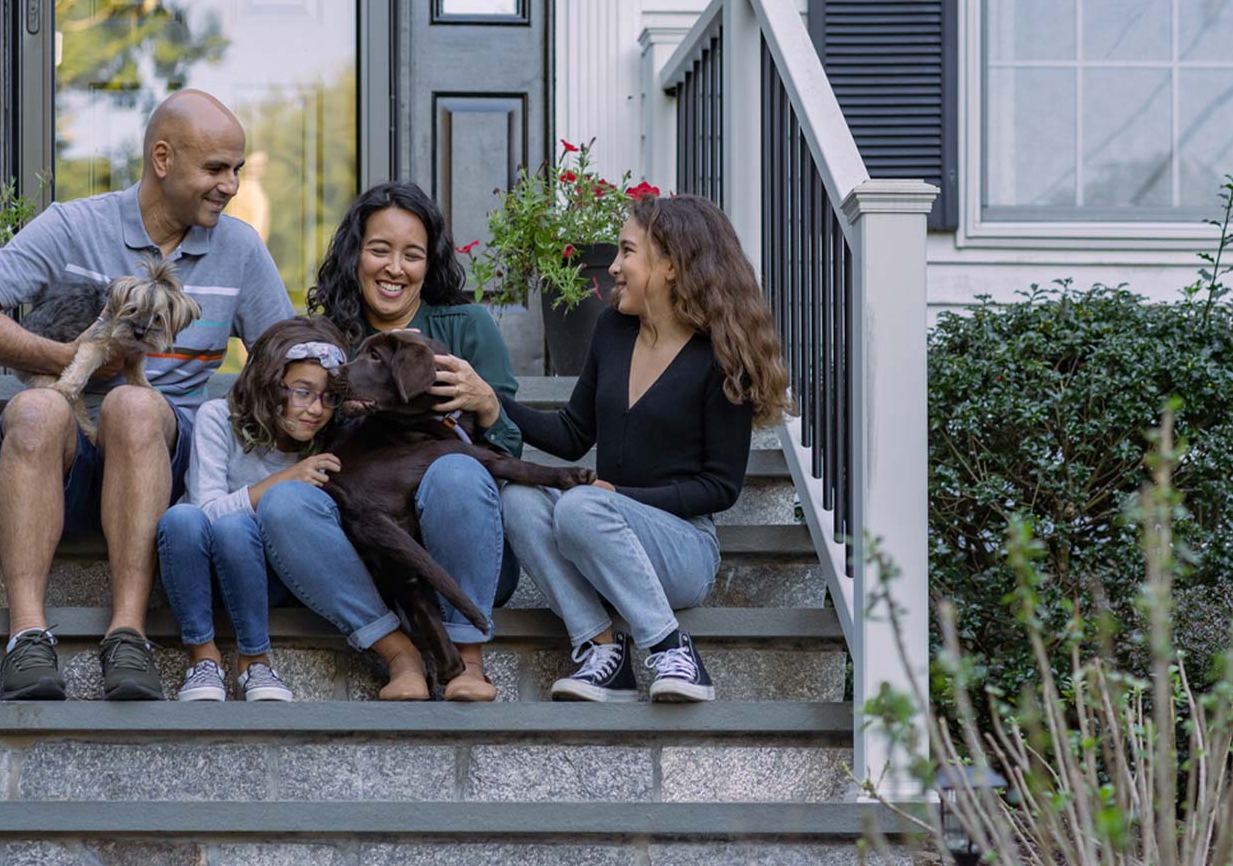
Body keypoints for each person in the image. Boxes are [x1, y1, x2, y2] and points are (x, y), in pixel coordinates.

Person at [0, 89, 294, 701]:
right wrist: (69, 359)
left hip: (154, 452)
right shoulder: (75, 226)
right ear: (161, 158)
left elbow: (284, 361)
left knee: (133, 405)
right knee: (37, 407)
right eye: (215, 169)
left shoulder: (240, 249)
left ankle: (128, 635)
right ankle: (27, 635)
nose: (230, 185)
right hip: (60, 459)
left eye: (237, 170)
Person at [497, 193, 791, 703]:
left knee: (583, 505)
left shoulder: (721, 356)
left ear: (672, 265)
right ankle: (602, 651)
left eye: (627, 252)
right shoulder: (613, 330)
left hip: (683, 548)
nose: (613, 266)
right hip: (600, 524)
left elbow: (719, 488)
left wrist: (619, 498)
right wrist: (492, 406)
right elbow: (572, 434)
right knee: (518, 499)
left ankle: (671, 647)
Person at [255, 181, 520, 701]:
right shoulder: (324, 337)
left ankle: (467, 660)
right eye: (380, 250)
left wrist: (487, 404)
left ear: (429, 263)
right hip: (363, 554)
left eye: (412, 255)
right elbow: (288, 442)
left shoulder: (466, 327)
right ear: (356, 254)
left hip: (460, 547)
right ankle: (400, 656)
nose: (395, 268)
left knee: (458, 469)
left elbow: (508, 457)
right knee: (284, 501)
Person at [158, 317, 349, 702]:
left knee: (235, 529)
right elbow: (206, 509)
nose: (316, 409)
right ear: (269, 383)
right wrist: (284, 479)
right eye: (302, 392)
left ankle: (255, 661)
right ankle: (202, 657)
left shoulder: (330, 442)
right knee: (181, 517)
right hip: (196, 570)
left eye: (329, 397)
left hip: (270, 578)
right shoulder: (219, 417)